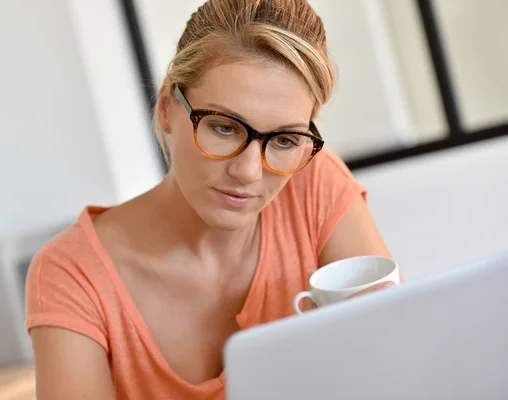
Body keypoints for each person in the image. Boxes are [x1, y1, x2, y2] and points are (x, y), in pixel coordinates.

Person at [26, 1, 400, 398]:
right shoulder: (73, 274)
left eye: (286, 140)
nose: (249, 172)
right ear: (168, 105)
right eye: (223, 127)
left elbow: (403, 363)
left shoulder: (312, 184)